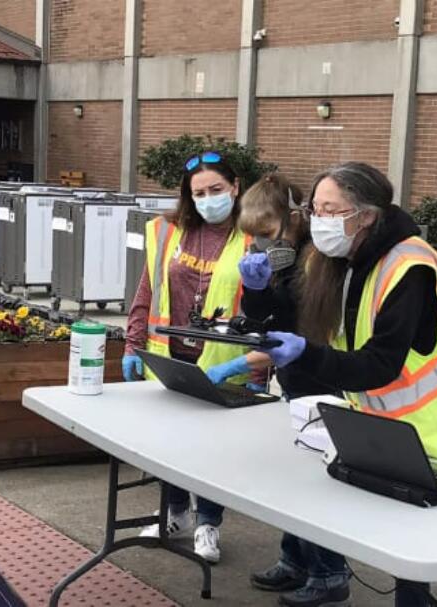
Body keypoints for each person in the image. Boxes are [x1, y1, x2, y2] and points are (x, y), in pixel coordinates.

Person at [214, 162, 437, 607]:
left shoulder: (410, 265)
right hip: (388, 418)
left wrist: (307, 355)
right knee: (408, 542)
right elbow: (295, 325)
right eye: (314, 208)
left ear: (366, 215)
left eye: (329, 209)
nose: (317, 219)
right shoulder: (336, 258)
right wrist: (259, 292)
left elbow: (380, 364)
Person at [123, 151, 256, 563]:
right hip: (171, 355)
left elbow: (264, 303)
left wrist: (253, 364)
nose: (207, 199)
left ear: (235, 188)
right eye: (198, 193)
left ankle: (208, 524)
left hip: (224, 360)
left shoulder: (253, 236)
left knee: (214, 450)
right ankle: (175, 513)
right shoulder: (167, 231)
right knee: (170, 444)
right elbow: (147, 289)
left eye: (216, 190)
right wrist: (133, 343)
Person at [202, 173, 309, 387]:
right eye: (254, 235)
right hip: (293, 380)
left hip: (320, 385)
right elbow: (268, 320)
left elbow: (292, 335)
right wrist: (255, 291)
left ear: (295, 219)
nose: (260, 244)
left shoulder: (313, 265)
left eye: (266, 234)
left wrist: (239, 365)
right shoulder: (285, 264)